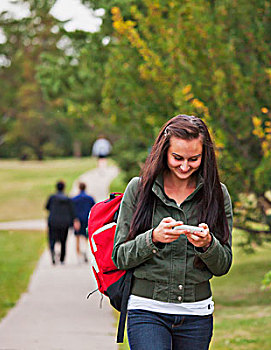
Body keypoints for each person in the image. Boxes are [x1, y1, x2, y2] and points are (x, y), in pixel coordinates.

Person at [112, 115, 233, 349]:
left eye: (194, 159)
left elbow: (224, 265)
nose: (185, 166)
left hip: (196, 314)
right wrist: (153, 239)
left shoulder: (218, 194)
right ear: (164, 152)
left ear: (204, 156)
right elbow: (120, 256)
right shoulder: (139, 189)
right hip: (147, 310)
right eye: (177, 158)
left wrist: (207, 245)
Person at [45, 180, 79, 265]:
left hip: (53, 221)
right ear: (64, 188)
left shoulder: (52, 198)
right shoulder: (68, 199)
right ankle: (62, 258)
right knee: (63, 241)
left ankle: (52, 253)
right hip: (65, 222)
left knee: (52, 239)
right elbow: (72, 212)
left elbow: (47, 207)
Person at [72, 182, 96, 263]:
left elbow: (72, 211)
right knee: (86, 238)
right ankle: (85, 251)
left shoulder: (74, 199)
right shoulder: (90, 198)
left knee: (78, 238)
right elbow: (94, 209)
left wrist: (75, 219)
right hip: (87, 220)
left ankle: (79, 255)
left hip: (78, 220)